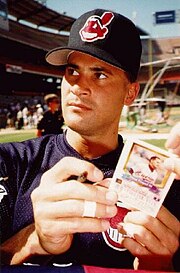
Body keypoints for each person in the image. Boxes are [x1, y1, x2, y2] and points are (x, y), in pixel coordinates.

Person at [0, 9, 179, 271]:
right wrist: (33, 241)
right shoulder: (10, 163)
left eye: (100, 74)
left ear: (130, 92)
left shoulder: (161, 179)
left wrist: (162, 266)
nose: (77, 85)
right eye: (72, 71)